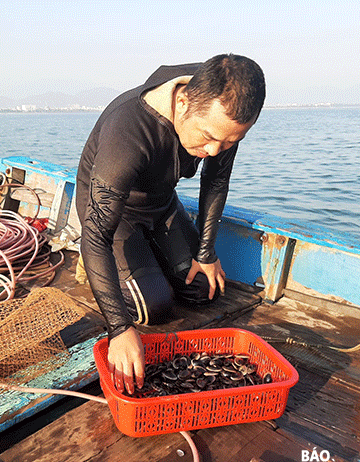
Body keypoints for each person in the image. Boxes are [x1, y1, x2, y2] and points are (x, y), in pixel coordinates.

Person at [75, 54, 265, 395]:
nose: (214, 150)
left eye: (230, 142)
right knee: (155, 307)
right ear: (182, 101)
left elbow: (216, 182)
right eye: (207, 136)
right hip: (113, 217)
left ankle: (145, 259)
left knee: (203, 290)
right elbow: (94, 235)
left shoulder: (221, 109)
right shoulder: (129, 131)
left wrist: (206, 253)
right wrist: (118, 329)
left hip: (161, 204)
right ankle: (94, 271)